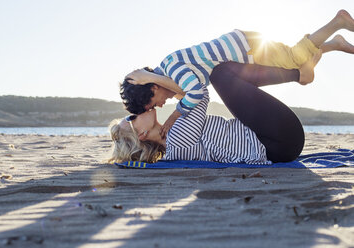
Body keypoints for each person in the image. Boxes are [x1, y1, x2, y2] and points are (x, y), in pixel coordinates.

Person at [120, 9, 354, 138]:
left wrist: (173, 118)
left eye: (153, 103)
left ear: (153, 87)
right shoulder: (170, 67)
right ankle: (334, 43)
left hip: (247, 50)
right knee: (292, 60)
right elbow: (185, 91)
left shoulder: (173, 69)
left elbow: (195, 93)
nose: (159, 107)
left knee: (294, 58)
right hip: (243, 45)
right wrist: (153, 80)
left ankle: (338, 22)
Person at [110, 54, 322, 164]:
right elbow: (198, 92)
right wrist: (152, 79)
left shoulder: (173, 142)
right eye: (131, 118)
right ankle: (298, 74)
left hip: (276, 141)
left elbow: (189, 96)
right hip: (277, 140)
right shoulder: (176, 139)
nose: (138, 111)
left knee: (226, 73)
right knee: (220, 74)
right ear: (142, 134)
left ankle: (295, 69)